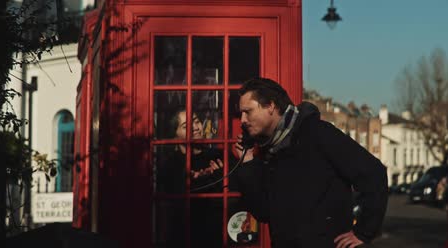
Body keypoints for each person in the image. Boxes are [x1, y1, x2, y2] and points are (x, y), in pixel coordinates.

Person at [234, 78, 388, 248]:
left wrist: (364, 231)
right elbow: (264, 212)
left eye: (248, 111)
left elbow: (374, 172)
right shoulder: (268, 151)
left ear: (270, 106)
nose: (242, 120)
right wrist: (247, 161)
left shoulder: (318, 133)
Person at [157, 108, 234, 247]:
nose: (195, 128)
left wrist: (219, 176)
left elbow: (240, 191)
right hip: (184, 236)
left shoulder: (220, 155)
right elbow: (168, 205)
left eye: (196, 121)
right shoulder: (171, 165)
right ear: (175, 134)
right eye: (186, 126)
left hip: (218, 235)